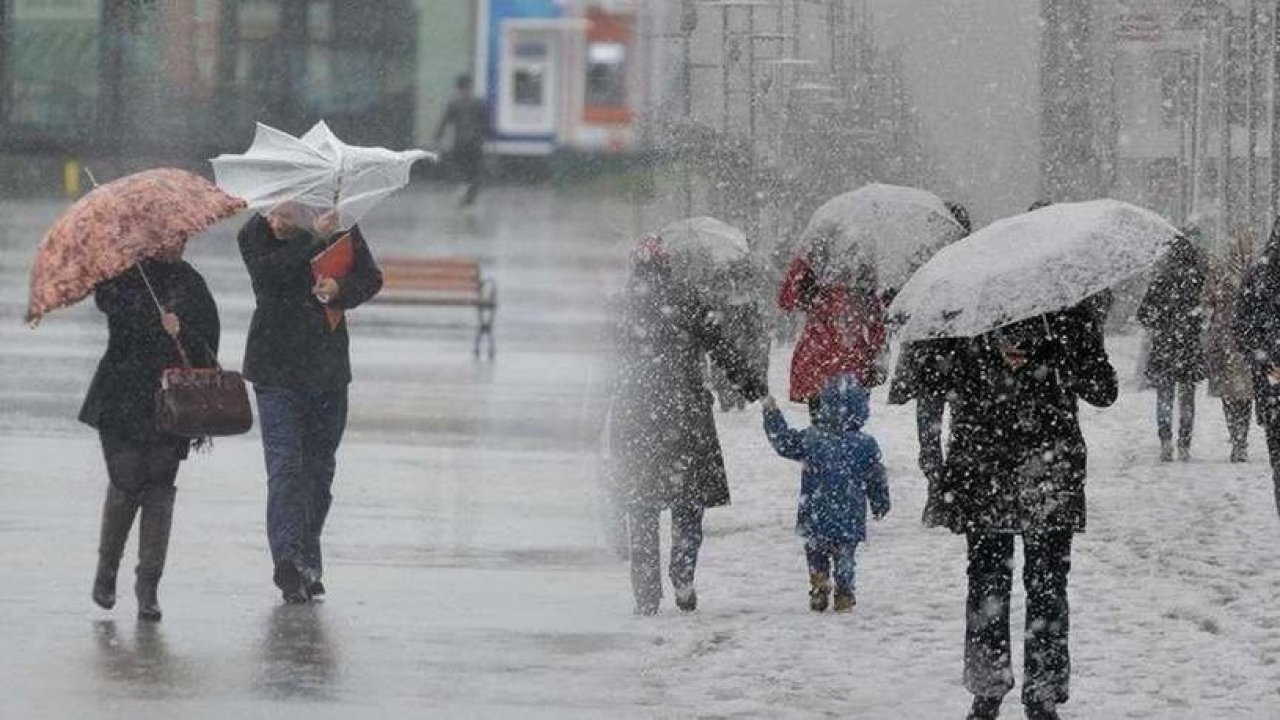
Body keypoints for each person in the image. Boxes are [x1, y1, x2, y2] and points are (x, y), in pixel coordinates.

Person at [925, 300, 1117, 720]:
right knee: (987, 584)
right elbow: (936, 385)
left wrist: (1061, 353)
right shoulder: (968, 312)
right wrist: (936, 464)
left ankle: (1042, 691)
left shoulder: (1068, 311)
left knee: (1047, 585)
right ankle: (988, 687)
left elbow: (1104, 391)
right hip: (985, 469)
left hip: (1049, 470)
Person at [610, 236, 768, 616]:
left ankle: (646, 592)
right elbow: (722, 347)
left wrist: (591, 418)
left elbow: (602, 369)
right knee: (688, 499)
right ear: (666, 266)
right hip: (686, 412)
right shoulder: (689, 298)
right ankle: (683, 570)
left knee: (641, 504)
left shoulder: (620, 306)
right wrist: (753, 386)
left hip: (636, 415)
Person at [239, 203, 384, 603]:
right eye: (272, 213)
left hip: (327, 371)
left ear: (303, 207)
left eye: (284, 215)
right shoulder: (254, 234)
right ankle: (287, 561)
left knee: (318, 472)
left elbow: (370, 278)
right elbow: (271, 276)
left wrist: (341, 290)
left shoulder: (340, 228)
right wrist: (312, 238)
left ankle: (307, 562)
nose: (274, 221)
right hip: (276, 371)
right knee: (285, 467)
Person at [82, 252, 220, 621]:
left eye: (183, 237)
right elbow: (108, 304)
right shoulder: (121, 273)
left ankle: (148, 585)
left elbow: (209, 341)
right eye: (170, 236)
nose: (178, 242)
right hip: (121, 393)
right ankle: (107, 569)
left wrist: (182, 330)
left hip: (171, 400)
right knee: (126, 480)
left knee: (159, 486)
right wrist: (152, 317)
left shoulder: (190, 281)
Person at [762, 375, 889, 613]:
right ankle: (844, 590)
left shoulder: (812, 439)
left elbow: (784, 442)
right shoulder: (865, 444)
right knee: (845, 555)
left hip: (815, 511)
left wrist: (771, 413)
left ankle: (819, 581)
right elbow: (876, 477)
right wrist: (880, 502)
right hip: (849, 514)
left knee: (815, 550)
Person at [888, 201, 972, 522]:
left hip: (933, 359)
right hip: (957, 359)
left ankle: (939, 491)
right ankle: (944, 490)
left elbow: (901, 309)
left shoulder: (924, 263)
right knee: (953, 429)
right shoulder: (970, 261)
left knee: (934, 430)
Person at [777, 229, 886, 417]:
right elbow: (876, 323)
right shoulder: (861, 282)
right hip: (852, 360)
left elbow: (786, 300)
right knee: (851, 426)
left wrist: (801, 265)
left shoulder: (812, 275)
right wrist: (876, 352)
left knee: (821, 426)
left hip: (818, 357)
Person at [1137, 230, 1207, 461]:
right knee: (1187, 397)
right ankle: (1184, 443)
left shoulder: (1161, 279)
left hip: (1165, 346)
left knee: (1164, 396)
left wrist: (1161, 321)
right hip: (1188, 346)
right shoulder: (1198, 278)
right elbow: (1204, 312)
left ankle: (1165, 439)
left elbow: (1143, 314)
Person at [1233, 222, 1280, 520]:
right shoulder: (1258, 275)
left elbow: (1242, 330)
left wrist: (1266, 361)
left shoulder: (1257, 275)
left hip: (1272, 385)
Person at [1205, 226, 1256, 462]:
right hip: (1226, 340)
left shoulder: (1258, 270)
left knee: (1243, 395)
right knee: (1230, 394)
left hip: (1245, 340)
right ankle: (1236, 437)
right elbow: (1207, 298)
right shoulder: (1220, 269)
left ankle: (1240, 440)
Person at [434, 74, 489, 206]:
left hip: (460, 142)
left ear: (458, 87)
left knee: (461, 167)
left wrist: (437, 136)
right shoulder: (478, 102)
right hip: (475, 142)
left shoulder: (454, 103)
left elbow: (445, 121)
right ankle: (471, 193)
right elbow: (486, 123)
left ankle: (465, 188)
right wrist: (485, 138)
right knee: (474, 169)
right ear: (470, 86)